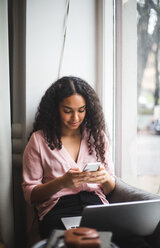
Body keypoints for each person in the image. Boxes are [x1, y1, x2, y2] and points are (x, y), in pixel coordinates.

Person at [22, 76, 115, 239]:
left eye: (81, 110)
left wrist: (105, 178)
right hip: (58, 209)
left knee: (129, 239)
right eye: (67, 111)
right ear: (55, 109)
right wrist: (62, 182)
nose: (75, 118)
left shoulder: (97, 138)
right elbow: (31, 195)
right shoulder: (38, 141)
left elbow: (109, 189)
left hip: (96, 206)